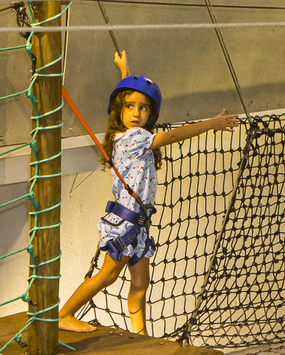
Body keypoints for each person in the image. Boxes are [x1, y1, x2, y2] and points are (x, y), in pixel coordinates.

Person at [58, 52, 239, 336]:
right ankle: (64, 315)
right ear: (119, 111)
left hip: (140, 225)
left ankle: (140, 335)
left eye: (143, 108)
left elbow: (129, 101)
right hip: (125, 223)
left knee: (141, 283)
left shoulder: (130, 135)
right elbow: (173, 136)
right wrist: (210, 124)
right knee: (107, 275)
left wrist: (124, 71)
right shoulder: (133, 138)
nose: (136, 113)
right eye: (129, 107)